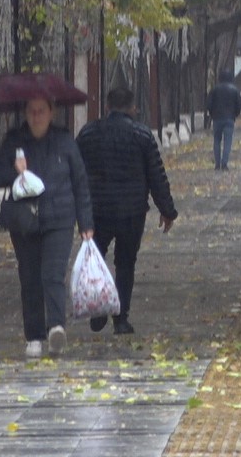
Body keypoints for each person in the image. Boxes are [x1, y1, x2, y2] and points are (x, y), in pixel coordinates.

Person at [0, 96, 94, 358]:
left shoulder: (65, 141)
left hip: (59, 218)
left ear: (52, 112)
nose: (37, 116)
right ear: (25, 113)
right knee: (30, 277)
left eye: (41, 111)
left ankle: (56, 326)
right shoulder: (14, 141)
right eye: (32, 111)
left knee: (53, 274)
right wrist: (15, 171)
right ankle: (34, 336)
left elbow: (80, 183)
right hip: (24, 220)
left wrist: (86, 222)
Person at [76, 88, 178, 335]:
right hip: (131, 211)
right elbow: (156, 174)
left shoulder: (88, 134)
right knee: (125, 263)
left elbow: (76, 172)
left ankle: (98, 308)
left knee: (95, 259)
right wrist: (167, 211)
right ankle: (121, 319)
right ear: (132, 108)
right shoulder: (142, 135)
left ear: (107, 106)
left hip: (97, 209)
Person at [205, 69, 241, 170]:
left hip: (217, 119)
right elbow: (239, 105)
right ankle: (224, 163)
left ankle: (217, 163)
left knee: (217, 140)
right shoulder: (234, 90)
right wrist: (235, 114)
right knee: (228, 141)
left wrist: (212, 114)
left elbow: (208, 104)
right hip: (229, 118)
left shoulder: (214, 89)